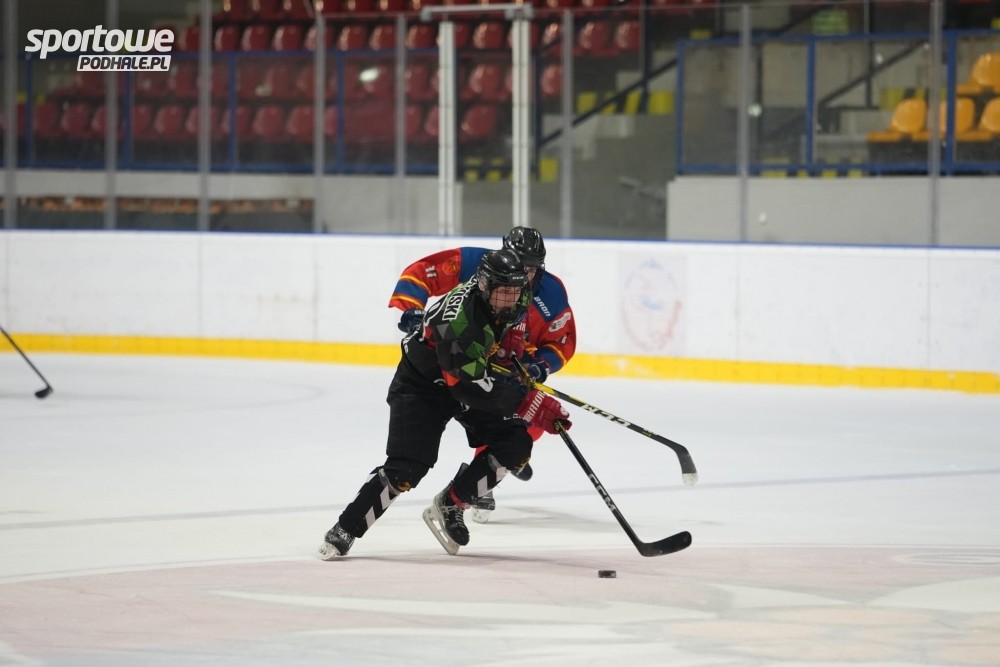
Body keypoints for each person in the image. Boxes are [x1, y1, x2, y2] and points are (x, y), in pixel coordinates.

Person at [318, 249, 572, 558]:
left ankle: (452, 503)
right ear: (485, 285)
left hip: (467, 375)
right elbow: (470, 388)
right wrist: (528, 403)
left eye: (516, 291)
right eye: (504, 292)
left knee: (516, 444)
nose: (511, 299)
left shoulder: (511, 300)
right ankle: (346, 526)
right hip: (424, 386)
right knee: (407, 468)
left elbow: (502, 350)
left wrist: (517, 369)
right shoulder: (460, 324)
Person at [387, 227, 576, 522]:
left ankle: (489, 472)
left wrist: (540, 365)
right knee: (489, 410)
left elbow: (561, 341)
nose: (524, 273)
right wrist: (413, 310)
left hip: (508, 363)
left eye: (531, 268)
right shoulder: (478, 264)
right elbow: (423, 272)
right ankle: (493, 467)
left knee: (526, 424)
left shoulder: (551, 293)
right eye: (519, 263)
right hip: (461, 358)